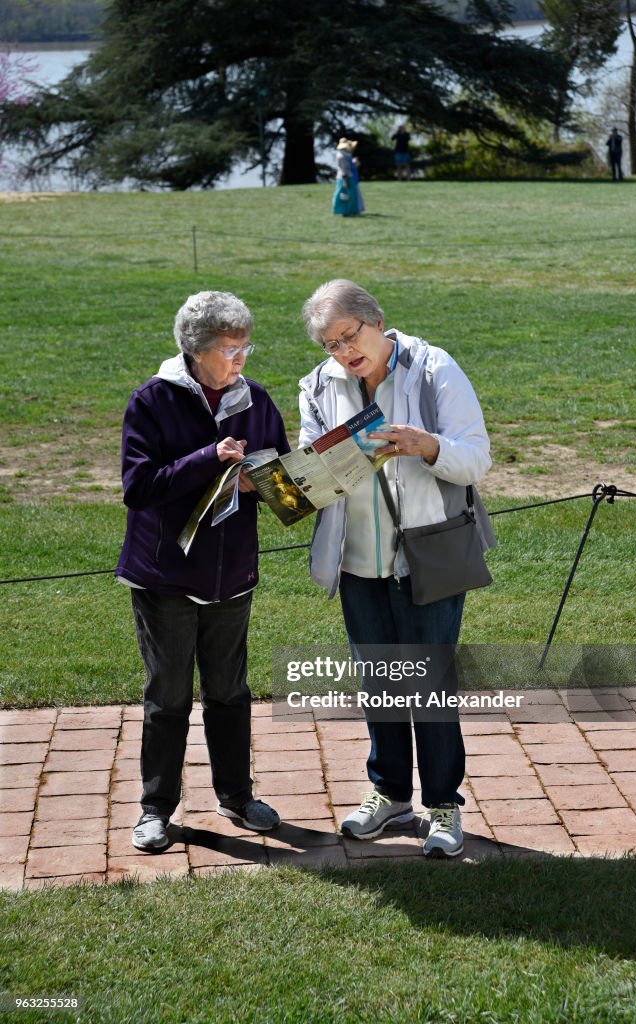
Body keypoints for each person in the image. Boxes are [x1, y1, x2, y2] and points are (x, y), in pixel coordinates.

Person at [299, 280, 494, 857]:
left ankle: (442, 806)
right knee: (380, 684)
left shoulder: (433, 369)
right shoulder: (316, 386)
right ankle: (390, 794)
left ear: (375, 320)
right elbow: (313, 465)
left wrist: (426, 445)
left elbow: (476, 456)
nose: (343, 352)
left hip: (428, 553)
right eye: (331, 344)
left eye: (349, 336)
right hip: (357, 559)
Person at [117, 290, 289, 852]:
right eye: (230, 349)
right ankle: (156, 810)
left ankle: (236, 796)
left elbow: (280, 474)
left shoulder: (255, 400)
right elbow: (138, 489)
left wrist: (265, 483)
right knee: (167, 698)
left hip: (232, 577)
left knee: (230, 694)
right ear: (196, 350)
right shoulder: (151, 401)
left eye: (246, 346)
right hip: (165, 578)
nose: (241, 359)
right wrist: (207, 461)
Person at [333, 138, 360, 217]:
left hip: (343, 177)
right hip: (345, 177)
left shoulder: (341, 155)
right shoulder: (342, 156)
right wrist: (345, 181)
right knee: (346, 195)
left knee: (345, 195)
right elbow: (344, 169)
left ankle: (347, 211)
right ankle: (346, 211)